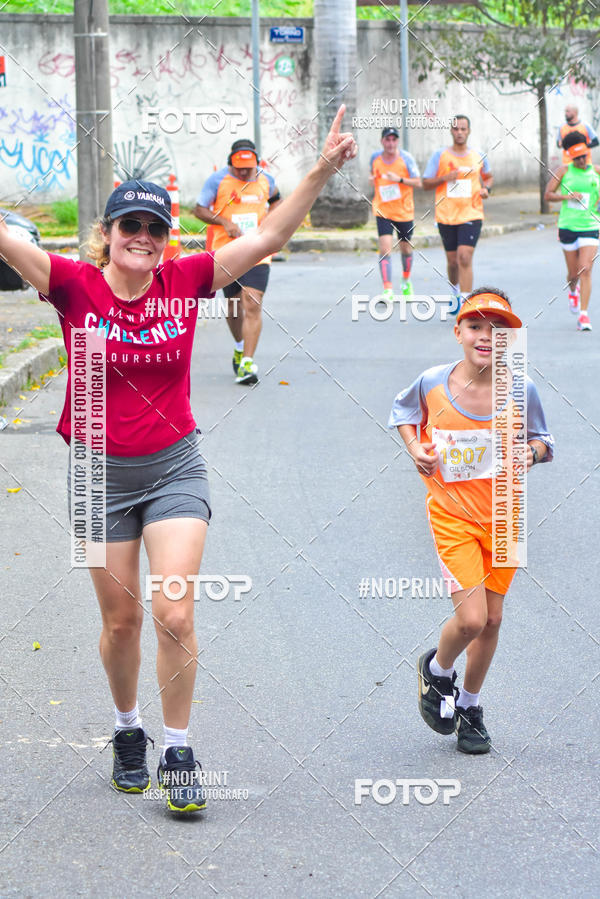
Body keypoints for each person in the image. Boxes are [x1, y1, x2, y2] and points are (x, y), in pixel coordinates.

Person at [0, 105, 356, 812]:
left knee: (175, 612)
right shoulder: (73, 285)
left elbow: (269, 234)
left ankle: (179, 749)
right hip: (99, 473)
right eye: (129, 225)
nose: (142, 237)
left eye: (155, 227)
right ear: (107, 234)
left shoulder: (188, 278)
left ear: (168, 239)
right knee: (121, 622)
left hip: (173, 466)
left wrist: (317, 171)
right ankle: (126, 727)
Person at [389, 288, 553, 753]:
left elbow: (545, 441)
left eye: (498, 329)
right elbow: (403, 413)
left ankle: (471, 706)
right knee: (472, 620)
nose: (487, 336)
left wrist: (529, 452)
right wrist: (414, 448)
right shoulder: (432, 383)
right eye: (476, 326)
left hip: (505, 515)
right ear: (458, 331)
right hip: (453, 516)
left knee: (494, 619)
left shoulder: (523, 390)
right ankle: (438, 671)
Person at [193, 139, 281, 384]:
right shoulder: (217, 180)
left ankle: (248, 363)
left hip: (258, 250)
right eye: (239, 167)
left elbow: (277, 201)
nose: (244, 172)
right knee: (233, 307)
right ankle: (240, 345)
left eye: (248, 168)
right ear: (230, 162)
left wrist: (270, 222)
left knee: (252, 301)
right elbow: (199, 209)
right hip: (227, 252)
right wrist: (224, 222)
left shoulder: (266, 179)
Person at [422, 116, 492, 308]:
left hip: (472, 213)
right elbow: (425, 183)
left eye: (463, 129)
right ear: (451, 131)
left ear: (469, 131)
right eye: (456, 129)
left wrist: (487, 190)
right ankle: (455, 292)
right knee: (453, 262)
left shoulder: (478, 155)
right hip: (446, 215)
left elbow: (488, 177)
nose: (459, 132)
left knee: (465, 257)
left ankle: (466, 304)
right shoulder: (440, 155)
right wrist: (445, 177)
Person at [545, 130, 600, 331]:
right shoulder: (563, 171)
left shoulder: (596, 171)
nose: (581, 161)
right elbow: (548, 195)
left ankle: (584, 316)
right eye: (577, 158)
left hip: (591, 226)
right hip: (568, 226)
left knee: (585, 269)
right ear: (571, 157)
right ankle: (572, 290)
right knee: (573, 273)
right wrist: (568, 198)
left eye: (584, 156)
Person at [369, 126, 422, 302]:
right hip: (383, 210)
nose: (390, 143)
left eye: (394, 140)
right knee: (385, 249)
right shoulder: (375, 158)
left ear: (397, 141)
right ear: (382, 141)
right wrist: (372, 181)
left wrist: (399, 180)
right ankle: (388, 290)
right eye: (387, 139)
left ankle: (406, 280)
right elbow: (373, 177)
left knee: (405, 248)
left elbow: (418, 182)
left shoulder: (406, 159)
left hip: (404, 211)